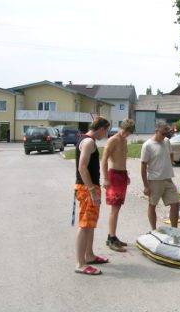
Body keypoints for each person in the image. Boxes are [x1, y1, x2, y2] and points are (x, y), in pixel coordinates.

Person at [74, 116, 110, 275]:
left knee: (90, 223)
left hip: (90, 187)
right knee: (85, 225)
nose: (106, 134)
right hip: (87, 188)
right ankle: (80, 263)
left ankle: (89, 255)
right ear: (101, 128)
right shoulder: (88, 142)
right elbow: (82, 167)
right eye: (106, 130)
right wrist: (91, 189)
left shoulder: (86, 139)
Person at [101, 119, 135, 252]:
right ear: (121, 128)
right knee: (114, 209)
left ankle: (114, 237)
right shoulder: (113, 140)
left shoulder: (124, 140)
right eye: (125, 131)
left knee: (118, 207)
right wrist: (105, 179)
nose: (126, 134)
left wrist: (126, 175)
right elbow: (104, 160)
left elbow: (123, 159)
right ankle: (111, 238)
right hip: (113, 175)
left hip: (122, 175)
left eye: (129, 133)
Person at [141, 122, 180, 230]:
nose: (164, 136)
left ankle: (174, 230)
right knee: (152, 205)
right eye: (163, 134)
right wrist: (146, 186)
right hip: (155, 180)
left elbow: (171, 153)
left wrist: (169, 163)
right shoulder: (147, 145)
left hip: (168, 179)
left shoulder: (167, 141)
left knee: (176, 203)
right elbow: (143, 166)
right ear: (156, 131)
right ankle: (154, 230)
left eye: (166, 134)